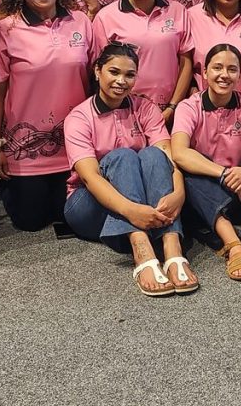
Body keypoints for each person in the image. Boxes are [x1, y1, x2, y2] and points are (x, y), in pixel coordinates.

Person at [62, 43, 199, 297]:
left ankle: (171, 246)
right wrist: (132, 211)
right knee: (123, 156)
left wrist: (178, 193)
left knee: (152, 154)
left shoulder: (145, 108)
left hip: (143, 203)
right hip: (88, 204)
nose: (121, 81)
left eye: (129, 75)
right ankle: (141, 247)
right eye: (113, 72)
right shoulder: (79, 118)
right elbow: (90, 178)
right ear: (97, 71)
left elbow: (169, 157)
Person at [0, 0, 94, 231]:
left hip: (72, 141)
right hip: (25, 145)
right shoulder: (4, 30)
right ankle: (3, 182)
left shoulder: (81, 22)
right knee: (30, 222)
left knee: (68, 214)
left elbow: (95, 81)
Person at [171, 45, 241, 281]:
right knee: (189, 169)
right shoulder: (188, 106)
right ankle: (234, 246)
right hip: (209, 189)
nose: (224, 75)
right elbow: (179, 152)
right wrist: (225, 174)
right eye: (217, 68)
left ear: (240, 75)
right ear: (204, 73)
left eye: (232, 69)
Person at [93, 0, 194, 124]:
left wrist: (172, 107)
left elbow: (186, 62)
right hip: (123, 113)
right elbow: (99, 69)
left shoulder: (178, 11)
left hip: (168, 112)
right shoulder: (106, 17)